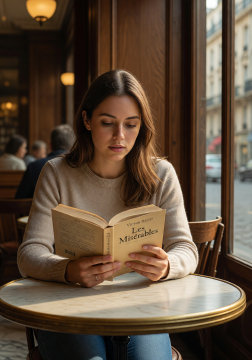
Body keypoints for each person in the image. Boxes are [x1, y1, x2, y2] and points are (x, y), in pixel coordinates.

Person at [17, 69, 198, 360]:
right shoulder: (57, 173)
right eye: (107, 123)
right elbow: (29, 253)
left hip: (141, 306)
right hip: (69, 303)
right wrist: (67, 271)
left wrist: (167, 265)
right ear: (87, 120)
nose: (120, 136)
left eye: (131, 124)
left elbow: (186, 249)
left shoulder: (160, 174)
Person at [15, 125, 75, 199]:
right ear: (73, 146)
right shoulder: (79, 166)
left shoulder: (33, 167)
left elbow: (19, 199)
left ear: (50, 145)